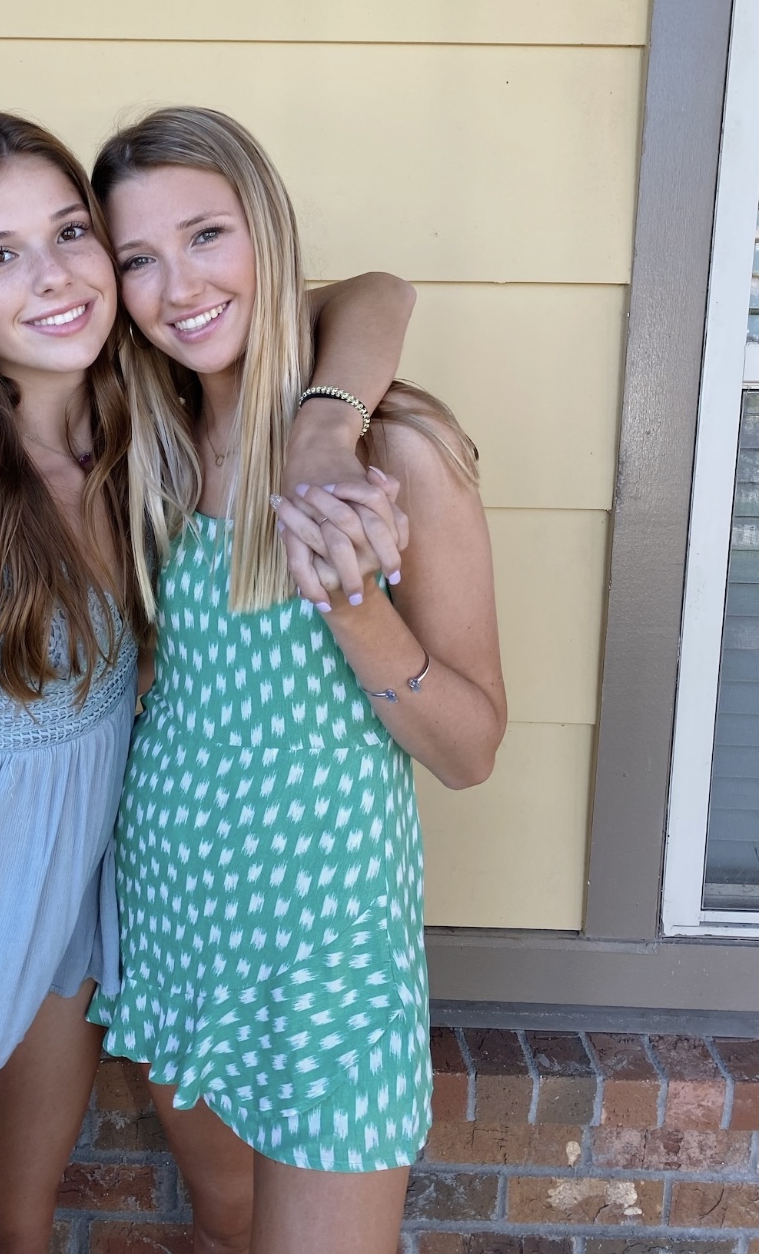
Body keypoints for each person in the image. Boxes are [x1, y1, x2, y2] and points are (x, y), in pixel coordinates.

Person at [0, 110, 416, 1254]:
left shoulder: (141, 441)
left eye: (70, 232)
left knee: (16, 1230)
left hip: (57, 939)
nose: (53, 275)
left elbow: (378, 293)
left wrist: (322, 430)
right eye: (0, 254)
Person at [90, 107, 507, 1254]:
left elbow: (470, 749)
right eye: (138, 258)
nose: (179, 286)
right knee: (226, 1227)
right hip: (175, 920)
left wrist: (353, 602)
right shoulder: (150, 452)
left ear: (266, 233)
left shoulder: (394, 451)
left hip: (330, 954)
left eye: (206, 234)